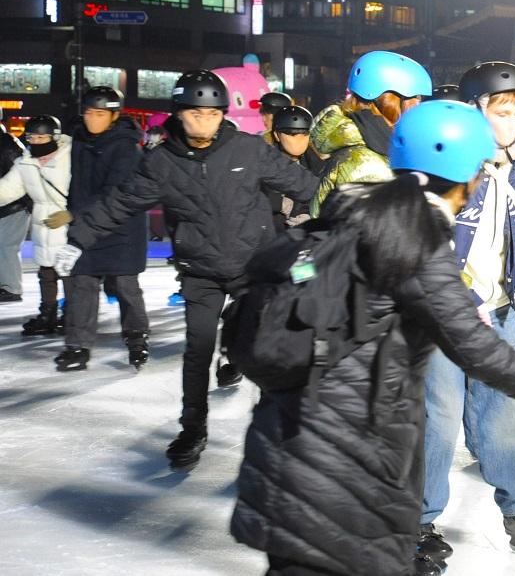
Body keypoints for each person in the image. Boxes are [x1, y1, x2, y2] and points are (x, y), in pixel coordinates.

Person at [229, 99, 515, 576]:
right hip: (347, 464)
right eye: (480, 169)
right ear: (464, 171)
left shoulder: (360, 207)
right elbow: (478, 349)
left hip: (290, 442)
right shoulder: (414, 239)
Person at [54, 71, 320, 471]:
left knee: (267, 348)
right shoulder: (160, 164)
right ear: (179, 114)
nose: (204, 122)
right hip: (201, 271)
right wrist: (77, 239)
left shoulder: (248, 151)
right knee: (197, 351)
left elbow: (308, 186)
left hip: (252, 267)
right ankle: (192, 427)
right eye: (195, 113)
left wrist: (353, 205)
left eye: (212, 114)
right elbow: (119, 203)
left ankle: (277, 428)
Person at [420, 62, 515, 566]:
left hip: (500, 313)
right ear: (474, 112)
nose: (513, 121)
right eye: (502, 112)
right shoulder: (445, 164)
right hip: (440, 319)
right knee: (435, 421)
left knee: (510, 416)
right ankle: (415, 521)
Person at [45, 87, 150, 371]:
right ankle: (77, 345)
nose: (92, 119)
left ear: (114, 116)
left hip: (122, 227)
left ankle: (137, 338)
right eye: (89, 112)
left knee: (126, 286)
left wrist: (72, 213)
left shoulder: (127, 147)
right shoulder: (78, 139)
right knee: (82, 283)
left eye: (100, 114)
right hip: (87, 226)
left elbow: (113, 193)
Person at [311, 51, 432, 216]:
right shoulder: (365, 164)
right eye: (416, 97)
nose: (419, 105)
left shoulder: (374, 145)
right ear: (390, 100)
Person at [0, 116, 71, 336]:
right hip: (44, 223)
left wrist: (72, 213)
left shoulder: (72, 157)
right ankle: (47, 314)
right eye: (32, 137)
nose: (37, 142)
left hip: (71, 222)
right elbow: (8, 189)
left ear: (55, 137)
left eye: (42, 137)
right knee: (46, 272)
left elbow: (88, 188)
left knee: (71, 274)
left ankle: (72, 315)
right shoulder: (26, 162)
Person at [264, 105, 325, 231]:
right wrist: (278, 203)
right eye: (292, 134)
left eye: (304, 134)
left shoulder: (319, 163)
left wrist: (311, 214)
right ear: (277, 135)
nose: (299, 140)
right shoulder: (262, 161)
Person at [0, 115, 31, 303]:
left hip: (15, 206)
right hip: (4, 203)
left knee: (7, 246)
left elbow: (22, 175)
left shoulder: (7, 143)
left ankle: (12, 288)